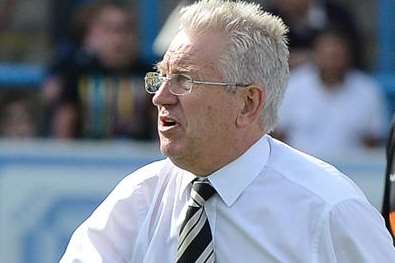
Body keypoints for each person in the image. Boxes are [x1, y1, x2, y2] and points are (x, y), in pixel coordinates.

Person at [60, 0, 395, 262]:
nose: (160, 97)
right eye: (160, 77)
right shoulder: (139, 197)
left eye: (184, 80)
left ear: (248, 102)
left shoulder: (329, 209)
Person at [42, 1, 155, 140]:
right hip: (88, 156)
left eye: (126, 29)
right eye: (110, 29)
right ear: (93, 34)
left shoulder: (149, 73)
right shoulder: (76, 72)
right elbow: (65, 119)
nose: (118, 39)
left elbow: (158, 117)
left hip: (139, 156)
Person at [275, 28, 387, 160]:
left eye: (336, 55)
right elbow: (278, 136)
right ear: (315, 54)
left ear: (348, 56)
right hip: (299, 168)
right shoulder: (292, 86)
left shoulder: (367, 90)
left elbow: (372, 142)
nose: (331, 61)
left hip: (353, 173)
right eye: (326, 55)